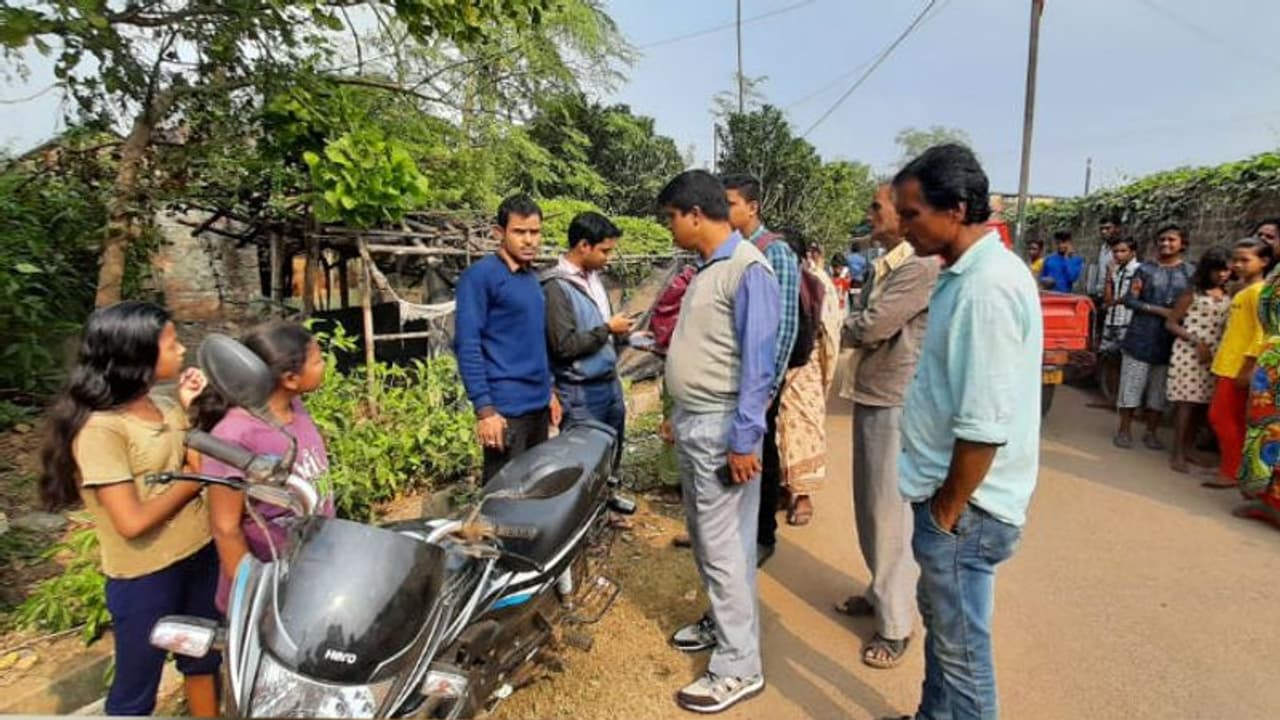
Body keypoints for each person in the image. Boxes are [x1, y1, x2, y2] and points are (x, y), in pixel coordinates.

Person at [889, 144, 1042, 720]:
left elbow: (983, 425)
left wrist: (946, 514)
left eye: (911, 214)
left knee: (965, 657)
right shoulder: (962, 273)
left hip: (965, 512)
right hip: (950, 502)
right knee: (944, 634)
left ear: (955, 208)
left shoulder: (987, 289)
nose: (904, 229)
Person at [38, 301, 219, 717]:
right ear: (137, 354)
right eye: (170, 343)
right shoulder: (101, 429)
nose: (181, 351)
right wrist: (194, 483)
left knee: (204, 659)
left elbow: (193, 459)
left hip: (198, 555)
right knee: (137, 687)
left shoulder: (166, 407)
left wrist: (188, 408)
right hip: (145, 576)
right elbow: (131, 521)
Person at [661, 170, 779, 714]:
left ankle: (739, 667)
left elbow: (759, 368)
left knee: (726, 548)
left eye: (669, 218)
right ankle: (723, 630)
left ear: (693, 215)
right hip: (697, 422)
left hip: (721, 429)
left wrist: (745, 440)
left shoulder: (746, 271)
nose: (668, 228)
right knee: (710, 543)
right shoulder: (709, 269)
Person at [835, 182, 939, 671]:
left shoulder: (916, 267)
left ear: (902, 214)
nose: (870, 213)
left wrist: (841, 322)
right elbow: (869, 321)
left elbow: (871, 325)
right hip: (876, 391)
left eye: (877, 207)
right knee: (871, 505)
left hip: (895, 398)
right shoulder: (893, 263)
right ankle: (880, 594)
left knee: (889, 512)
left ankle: (896, 623)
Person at [193, 321, 333, 614]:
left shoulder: (294, 408)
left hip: (308, 574)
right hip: (268, 593)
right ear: (290, 379)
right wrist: (257, 596)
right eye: (318, 360)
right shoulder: (234, 435)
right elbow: (225, 527)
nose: (324, 365)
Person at [721, 173, 799, 565]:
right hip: (738, 377)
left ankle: (762, 535)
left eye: (731, 202)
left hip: (762, 379)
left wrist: (767, 390)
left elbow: (782, 327)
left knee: (760, 453)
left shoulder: (774, 252)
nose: (724, 210)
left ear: (753, 207)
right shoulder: (730, 250)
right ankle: (731, 533)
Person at [454, 194, 558, 483]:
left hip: (537, 406)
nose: (529, 240)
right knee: (502, 497)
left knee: (535, 488)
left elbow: (533, 341)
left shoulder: (530, 278)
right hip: (505, 411)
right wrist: (485, 410)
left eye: (534, 232)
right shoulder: (480, 277)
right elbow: (468, 345)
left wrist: (549, 391)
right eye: (519, 232)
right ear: (499, 233)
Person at [542, 211, 634, 458]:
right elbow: (564, 345)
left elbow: (598, 328)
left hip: (609, 384)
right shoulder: (556, 287)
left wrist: (624, 335)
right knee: (583, 462)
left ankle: (609, 496)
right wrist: (607, 329)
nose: (609, 258)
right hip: (580, 393)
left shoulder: (594, 280)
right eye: (604, 251)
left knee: (611, 456)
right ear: (584, 246)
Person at [773, 229, 837, 527]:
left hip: (806, 364)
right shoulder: (768, 278)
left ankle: (803, 495)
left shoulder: (815, 282)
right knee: (776, 430)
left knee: (804, 429)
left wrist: (824, 368)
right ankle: (784, 488)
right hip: (776, 365)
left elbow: (830, 329)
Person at [1113, 226, 1194, 450]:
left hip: (1170, 341)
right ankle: (1124, 429)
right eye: (1162, 239)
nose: (1166, 243)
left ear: (1183, 244)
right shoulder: (1145, 270)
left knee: (1159, 392)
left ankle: (1151, 432)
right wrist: (1160, 311)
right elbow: (1130, 300)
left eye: (1171, 239)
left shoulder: (1189, 273)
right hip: (1140, 337)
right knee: (1131, 386)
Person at [1205, 238, 1273, 489]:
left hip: (1238, 367)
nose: (1238, 265)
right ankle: (1232, 466)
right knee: (1230, 419)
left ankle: (1231, 471)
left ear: (1264, 262)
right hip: (1228, 363)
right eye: (1236, 260)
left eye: (1246, 260)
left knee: (1220, 417)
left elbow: (1261, 334)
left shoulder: (1259, 293)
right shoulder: (1246, 291)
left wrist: (1248, 369)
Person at [1164, 249, 1231, 474]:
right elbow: (1171, 323)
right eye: (1218, 270)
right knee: (1186, 403)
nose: (1223, 274)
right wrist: (1196, 341)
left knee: (1202, 405)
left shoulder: (1228, 294)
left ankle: (1189, 448)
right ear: (1207, 270)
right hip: (1189, 353)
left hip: (1215, 355)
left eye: (1227, 269)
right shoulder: (1192, 293)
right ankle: (1177, 453)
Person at [1234, 261, 1280, 529]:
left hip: (1273, 359)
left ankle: (1269, 500)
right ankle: (1266, 499)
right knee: (1266, 430)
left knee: (1267, 429)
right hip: (1272, 358)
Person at [1099, 238, 1142, 353]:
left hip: (1127, 322)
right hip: (1111, 320)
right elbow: (1107, 299)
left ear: (1133, 253)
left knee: (1124, 356)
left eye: (1123, 251)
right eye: (1115, 251)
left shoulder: (1139, 269)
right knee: (1105, 355)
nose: (1118, 255)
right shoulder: (1116, 270)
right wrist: (1109, 275)